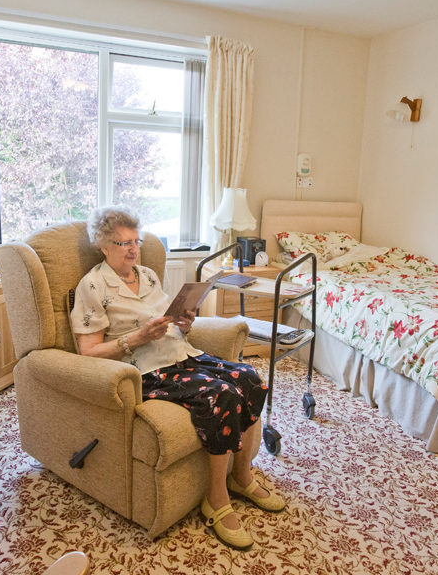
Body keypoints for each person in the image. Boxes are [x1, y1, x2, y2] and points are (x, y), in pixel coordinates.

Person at [70, 205, 283, 551]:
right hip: (146, 370)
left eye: (135, 241)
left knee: (250, 378)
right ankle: (215, 499)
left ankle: (241, 477)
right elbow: (88, 352)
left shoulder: (149, 275)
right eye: (123, 243)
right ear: (103, 245)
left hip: (182, 354)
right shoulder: (92, 285)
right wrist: (135, 338)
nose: (133, 249)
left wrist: (185, 323)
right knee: (222, 394)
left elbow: (169, 320)